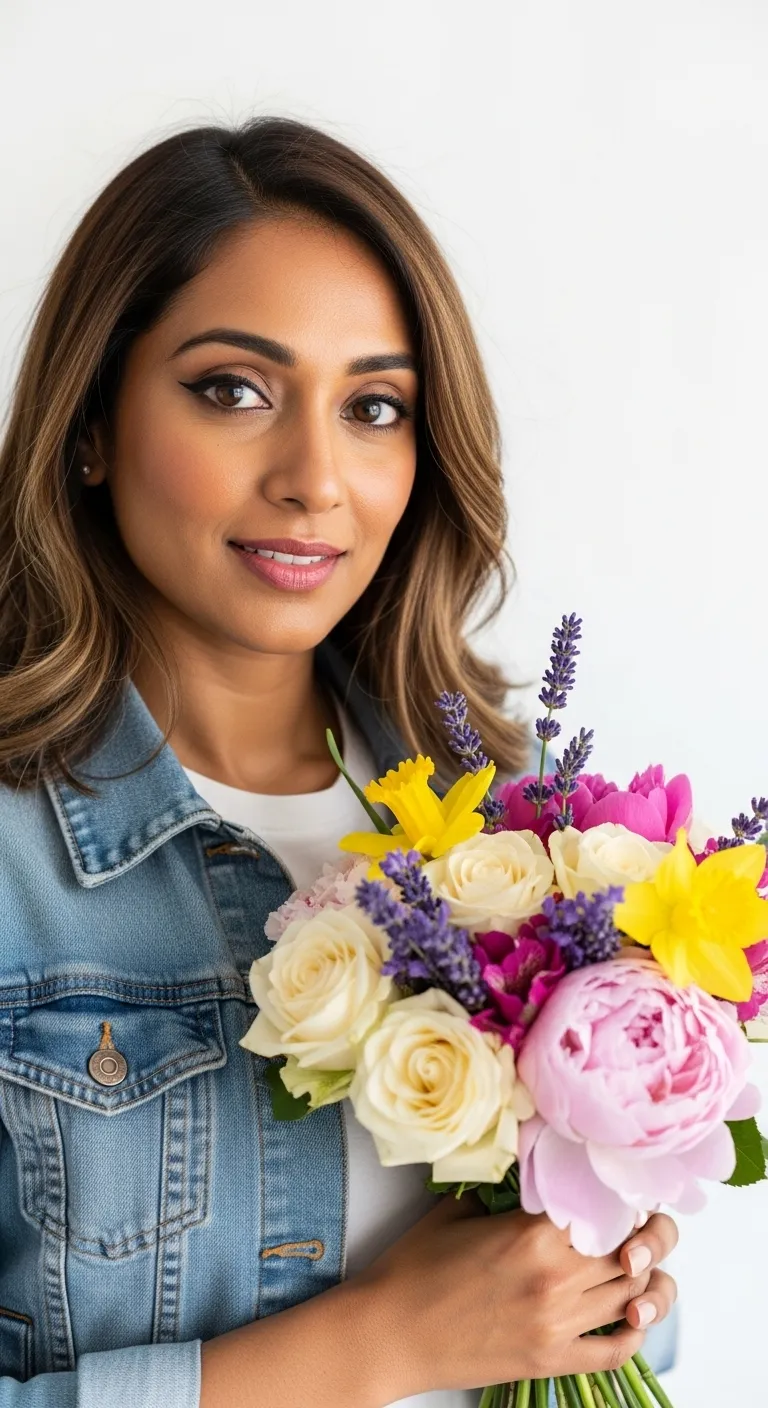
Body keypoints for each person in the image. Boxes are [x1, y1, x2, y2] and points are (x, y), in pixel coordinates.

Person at [0, 116, 678, 1408]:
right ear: (90, 422)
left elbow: (603, 1332)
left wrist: (615, 1292)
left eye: (374, 408)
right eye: (234, 390)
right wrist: (388, 1342)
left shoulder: (521, 827)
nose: (316, 479)